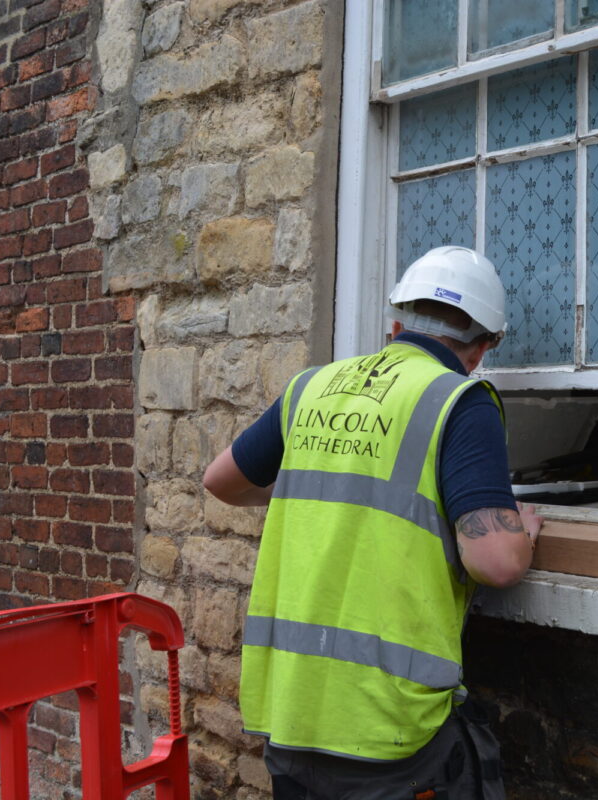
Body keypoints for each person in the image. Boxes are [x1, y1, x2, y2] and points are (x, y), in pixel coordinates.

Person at [202, 246, 541, 800]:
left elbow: (222, 480)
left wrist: (323, 486)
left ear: (395, 324)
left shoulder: (311, 387)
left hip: (290, 713)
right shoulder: (459, 399)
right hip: (384, 729)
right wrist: (521, 531)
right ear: (481, 350)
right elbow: (497, 560)